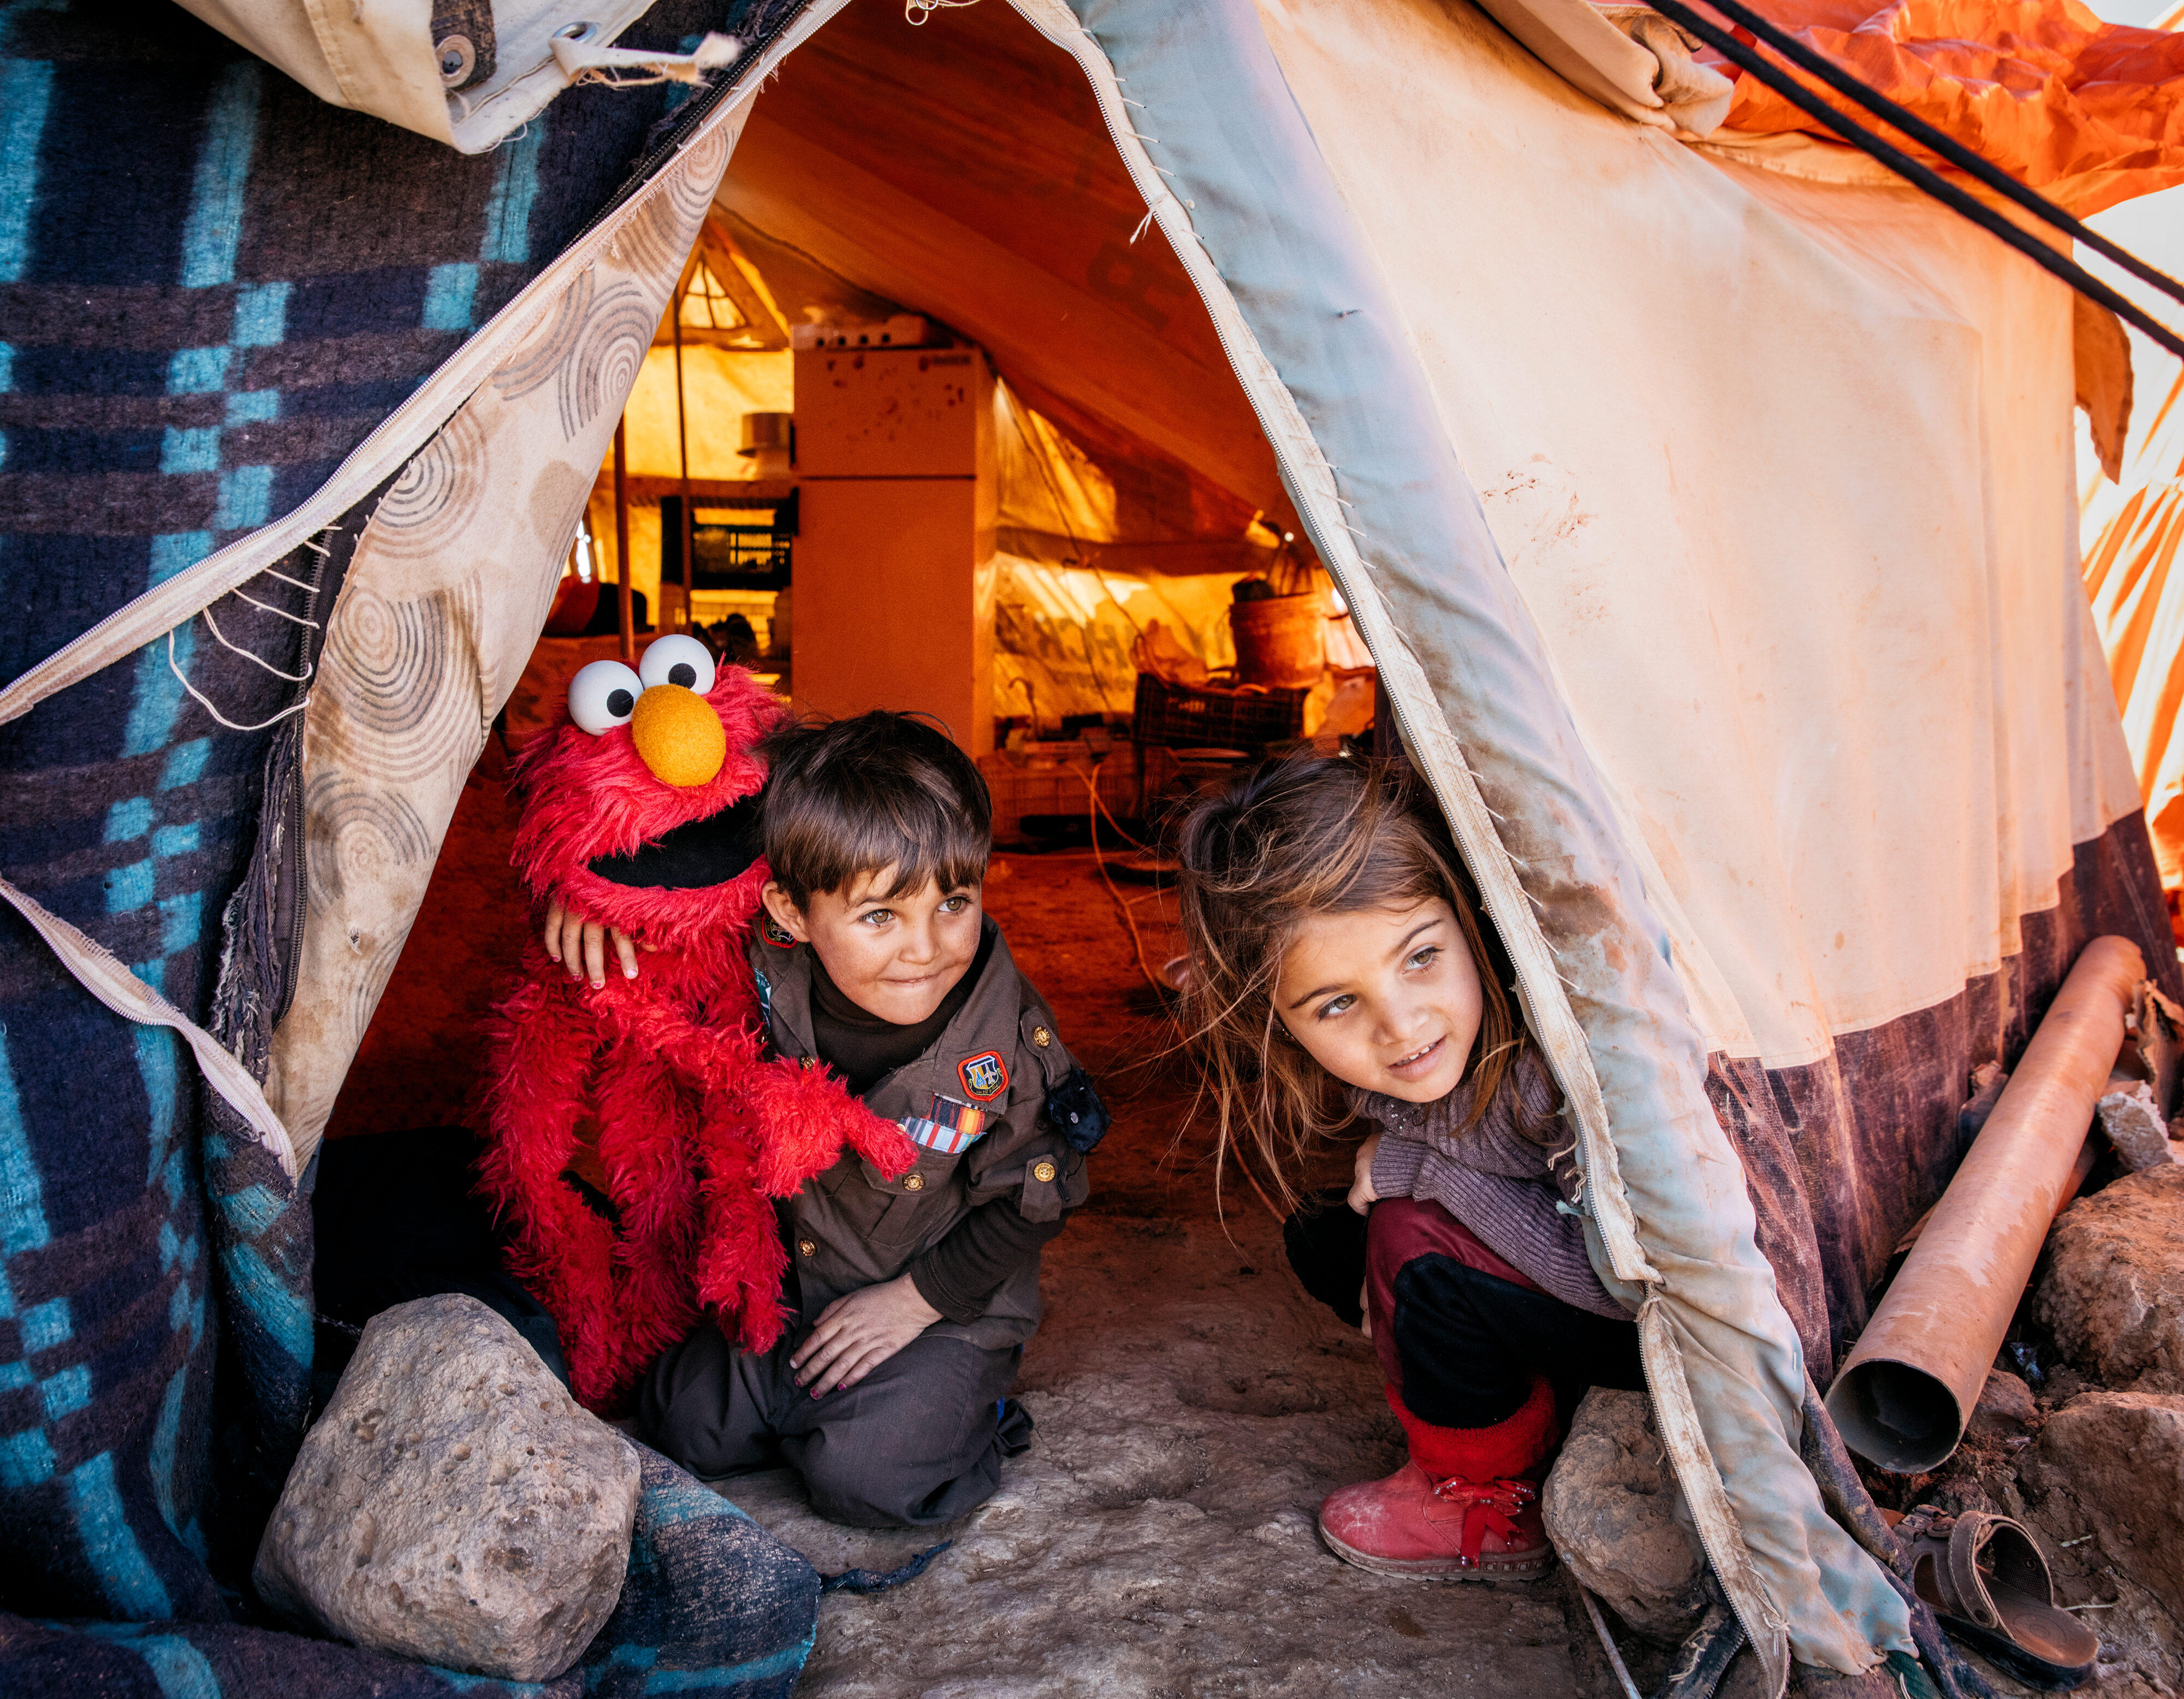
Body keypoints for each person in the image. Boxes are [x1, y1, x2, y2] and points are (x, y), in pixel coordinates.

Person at [547, 712, 1100, 1528]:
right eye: (881, 915)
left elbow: (1037, 1195)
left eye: (955, 900)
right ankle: (847, 1414)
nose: (927, 947)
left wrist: (915, 1302)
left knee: (866, 1481)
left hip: (936, 1310)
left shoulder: (1009, 1045)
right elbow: (670, 883)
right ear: (793, 912)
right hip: (795, 1290)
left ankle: (970, 1420)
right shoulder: (765, 952)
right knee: (684, 1421)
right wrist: (595, 906)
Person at [1173, 753, 1643, 1579]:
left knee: (1409, 1244)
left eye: (1421, 957)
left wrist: (1420, 1173)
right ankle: (1528, 1407)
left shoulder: (1549, 1076)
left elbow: (1621, 1278)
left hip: (1631, 1321)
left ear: (1468, 917)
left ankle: (1484, 1498)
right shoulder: (1417, 1063)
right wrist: (1403, 1157)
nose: (1400, 1027)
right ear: (1280, 1024)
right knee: (1329, 1239)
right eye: (1338, 1003)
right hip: (1556, 1290)